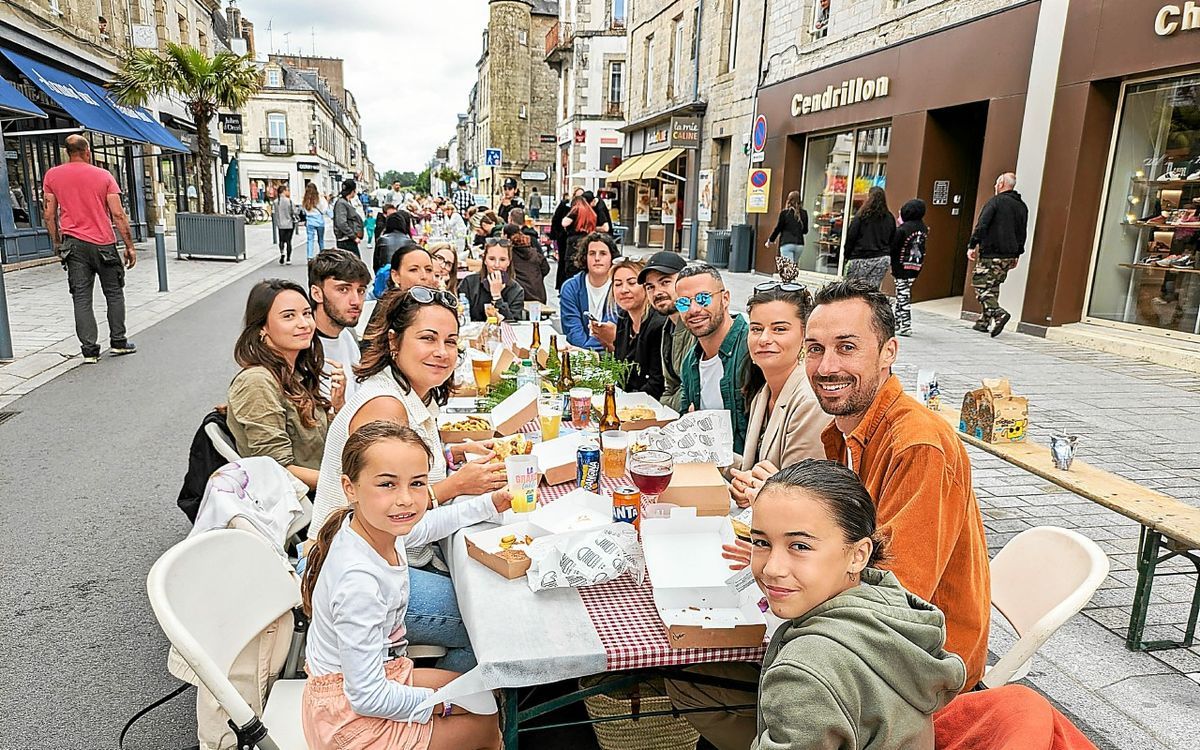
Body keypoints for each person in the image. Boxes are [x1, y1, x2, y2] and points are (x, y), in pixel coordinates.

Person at [801, 280, 990, 687]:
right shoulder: (843, 432)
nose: (827, 366)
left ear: (889, 352)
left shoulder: (917, 443)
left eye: (846, 347)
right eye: (815, 349)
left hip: (925, 659)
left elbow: (899, 592)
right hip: (874, 630)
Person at [309, 287, 509, 670]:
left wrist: (452, 455)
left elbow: (404, 474)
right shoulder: (385, 405)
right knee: (487, 621)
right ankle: (444, 710)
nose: (442, 352)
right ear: (393, 341)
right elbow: (395, 514)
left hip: (391, 555)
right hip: (358, 572)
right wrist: (458, 485)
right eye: (428, 338)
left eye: (451, 342)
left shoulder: (412, 393)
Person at [301, 421, 504, 750]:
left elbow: (431, 523)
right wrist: (440, 707)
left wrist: (491, 503)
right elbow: (366, 697)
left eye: (418, 483)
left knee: (484, 701)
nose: (406, 500)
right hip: (348, 719)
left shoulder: (377, 527)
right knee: (483, 725)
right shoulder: (358, 583)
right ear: (349, 487)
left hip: (379, 675)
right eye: (387, 484)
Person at [748, 460, 965, 749]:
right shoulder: (887, 604)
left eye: (800, 546)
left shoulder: (803, 671)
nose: (772, 568)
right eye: (761, 543)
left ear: (858, 555)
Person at [226, 279, 343, 491]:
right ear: (262, 327)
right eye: (289, 316)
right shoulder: (257, 382)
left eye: (307, 313)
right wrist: (349, 488)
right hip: (300, 502)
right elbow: (276, 468)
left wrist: (339, 406)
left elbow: (321, 444)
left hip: (322, 486)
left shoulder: (296, 374)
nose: (304, 323)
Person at [727, 282, 827, 508]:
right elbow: (757, 471)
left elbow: (803, 496)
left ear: (805, 336)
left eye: (779, 329)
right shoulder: (763, 392)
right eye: (756, 329)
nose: (764, 339)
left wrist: (758, 488)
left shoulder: (810, 400)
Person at [41, 134, 137, 364]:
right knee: (113, 292)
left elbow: (48, 214)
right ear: (87, 152)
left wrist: (57, 242)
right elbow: (117, 214)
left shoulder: (52, 175)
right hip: (103, 242)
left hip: (73, 244)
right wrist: (129, 246)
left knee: (81, 297)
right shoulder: (104, 176)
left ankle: (89, 351)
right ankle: (118, 342)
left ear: (67, 152)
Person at [676, 264, 750, 456]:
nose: (693, 309)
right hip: (709, 466)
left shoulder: (751, 347)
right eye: (684, 303)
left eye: (703, 298)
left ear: (725, 298)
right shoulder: (690, 362)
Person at [968, 172, 1028, 337]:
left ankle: (997, 312)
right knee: (993, 286)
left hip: (992, 253)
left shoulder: (995, 202)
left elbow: (982, 224)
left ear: (1001, 184)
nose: (995, 186)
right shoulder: (1021, 206)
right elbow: (1022, 231)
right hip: (1009, 254)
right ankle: (984, 322)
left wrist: (972, 244)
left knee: (981, 285)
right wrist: (1017, 253)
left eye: (996, 183)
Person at [310, 250, 371, 404]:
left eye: (361, 291)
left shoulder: (348, 335)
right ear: (317, 294)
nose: (356, 301)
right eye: (343, 289)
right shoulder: (301, 346)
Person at [638, 251, 692, 412]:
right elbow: (670, 386)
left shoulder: (697, 324)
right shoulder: (667, 327)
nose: (657, 292)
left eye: (665, 282)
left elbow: (690, 390)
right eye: (650, 287)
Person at [609, 258, 667, 399]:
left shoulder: (657, 324)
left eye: (632, 283)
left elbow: (656, 383)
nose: (624, 290)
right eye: (618, 284)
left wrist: (624, 404)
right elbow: (621, 371)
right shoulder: (624, 318)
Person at [560, 232, 620, 350]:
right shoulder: (570, 288)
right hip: (577, 352)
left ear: (612, 258)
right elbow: (572, 328)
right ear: (584, 257)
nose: (597, 258)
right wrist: (585, 354)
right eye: (592, 253)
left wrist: (590, 352)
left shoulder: (619, 287)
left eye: (603, 253)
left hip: (610, 354)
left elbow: (612, 326)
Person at [457, 238, 527, 322]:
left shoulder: (516, 290)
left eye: (502, 260)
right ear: (485, 260)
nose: (497, 265)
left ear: (509, 262)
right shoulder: (469, 283)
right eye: (492, 259)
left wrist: (497, 296)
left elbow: (513, 325)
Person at [890, 199, 930, 337]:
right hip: (915, 266)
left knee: (903, 295)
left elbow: (894, 246)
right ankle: (896, 322)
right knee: (902, 293)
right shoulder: (923, 228)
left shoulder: (903, 230)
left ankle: (905, 325)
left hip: (901, 266)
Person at [843, 186, 896, 290]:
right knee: (872, 289)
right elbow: (892, 238)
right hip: (881, 258)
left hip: (860, 256)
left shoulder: (861, 216)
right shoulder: (889, 217)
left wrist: (847, 255)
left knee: (853, 289)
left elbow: (851, 236)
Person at [555, 192, 597, 290]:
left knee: (571, 267)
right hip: (587, 238)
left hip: (574, 240)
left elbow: (565, 222)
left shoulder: (576, 209)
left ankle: (571, 290)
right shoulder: (590, 211)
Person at [504, 216, 549, 304]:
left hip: (519, 295)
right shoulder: (534, 252)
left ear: (506, 236)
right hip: (539, 295)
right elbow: (546, 268)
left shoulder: (509, 254)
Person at [764, 190, 808, 265]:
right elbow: (805, 231)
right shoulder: (804, 213)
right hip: (799, 245)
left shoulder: (784, 213)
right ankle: (792, 276)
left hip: (786, 243)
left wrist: (770, 240)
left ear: (789, 200)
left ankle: (788, 276)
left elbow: (778, 228)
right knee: (792, 268)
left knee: (788, 269)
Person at [333, 179, 365, 255]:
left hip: (348, 239)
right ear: (352, 191)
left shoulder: (346, 202)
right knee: (354, 264)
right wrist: (353, 236)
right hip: (346, 240)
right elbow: (341, 223)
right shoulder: (341, 204)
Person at [303, 183, 332, 259]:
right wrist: (332, 216)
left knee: (310, 239)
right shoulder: (319, 198)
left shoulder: (305, 199)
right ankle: (322, 254)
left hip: (309, 220)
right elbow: (325, 209)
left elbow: (304, 210)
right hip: (319, 221)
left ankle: (309, 256)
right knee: (321, 239)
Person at [274, 185, 297, 265]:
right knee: (288, 241)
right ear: (284, 191)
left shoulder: (276, 202)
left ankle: (282, 253)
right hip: (289, 224)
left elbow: (275, 213)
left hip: (281, 224)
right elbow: (294, 212)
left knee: (281, 240)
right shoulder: (289, 201)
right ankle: (288, 259)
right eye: (287, 190)